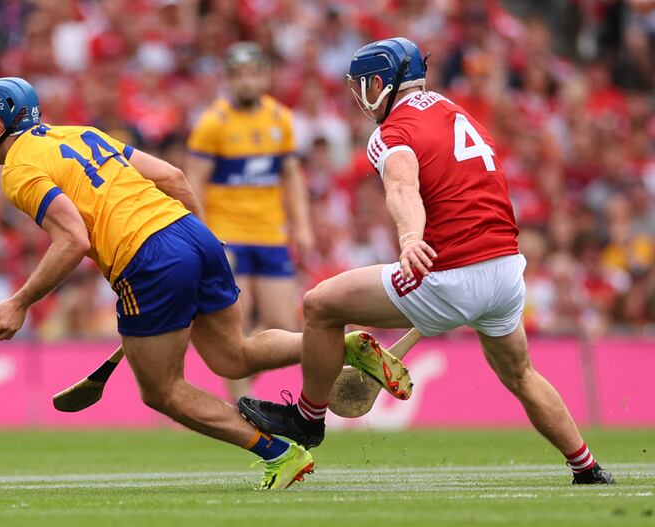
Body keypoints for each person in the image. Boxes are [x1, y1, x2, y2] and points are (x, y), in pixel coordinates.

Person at [238, 38, 615, 485]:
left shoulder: (392, 131)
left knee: (320, 304)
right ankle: (587, 466)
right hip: (506, 271)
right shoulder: (457, 112)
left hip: (450, 272)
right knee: (521, 374)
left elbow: (402, 185)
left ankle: (307, 419)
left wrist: (410, 237)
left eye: (363, 84)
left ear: (382, 83)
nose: (359, 94)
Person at [0, 77, 314, 489]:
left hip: (146, 258)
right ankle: (338, 344)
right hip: (193, 232)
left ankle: (279, 453)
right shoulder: (80, 133)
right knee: (234, 356)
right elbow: (174, 178)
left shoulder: (19, 170)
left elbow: (73, 240)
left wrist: (20, 302)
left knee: (161, 391)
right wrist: (202, 239)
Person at [185, 42, 314, 401]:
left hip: (271, 235)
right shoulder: (213, 123)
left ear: (265, 77)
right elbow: (193, 182)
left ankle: (240, 377)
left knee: (284, 324)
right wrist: (203, 236)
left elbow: (291, 176)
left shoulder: (280, 118)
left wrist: (302, 226)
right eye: (239, 75)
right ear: (228, 79)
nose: (246, 81)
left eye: (253, 74)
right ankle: (241, 407)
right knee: (235, 327)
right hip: (227, 237)